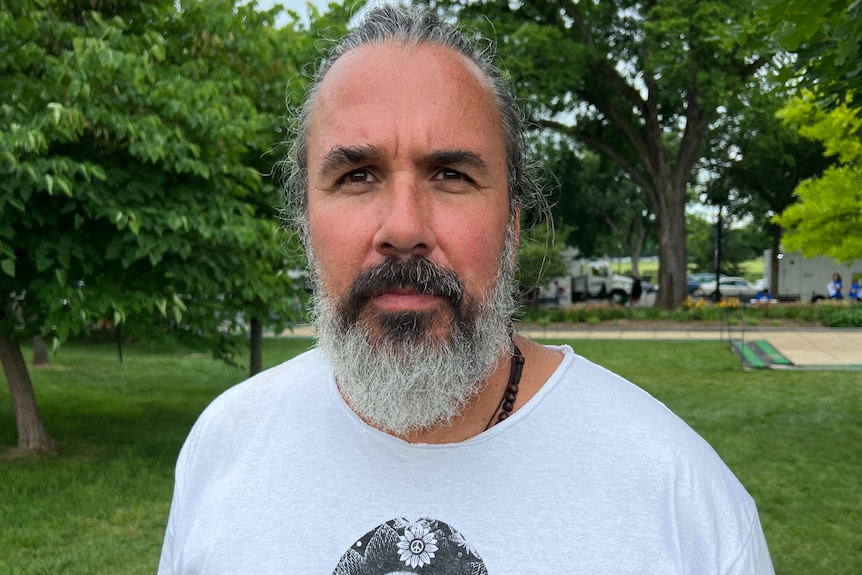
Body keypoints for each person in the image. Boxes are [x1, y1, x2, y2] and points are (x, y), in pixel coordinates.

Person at [158, 6, 774, 574]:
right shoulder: (224, 450)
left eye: (451, 174)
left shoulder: (679, 497)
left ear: (513, 224)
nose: (403, 228)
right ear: (304, 222)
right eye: (357, 175)